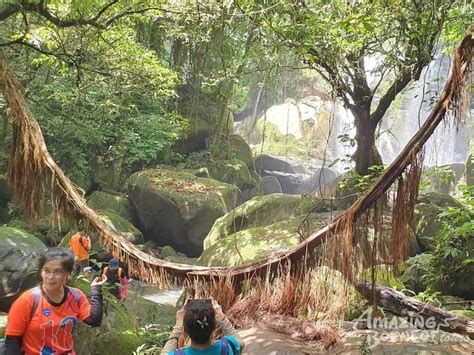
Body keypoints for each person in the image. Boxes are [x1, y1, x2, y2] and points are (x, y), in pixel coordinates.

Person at [4, 248, 107, 355]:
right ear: (41, 272)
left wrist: (96, 289)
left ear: (68, 274)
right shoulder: (27, 300)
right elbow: (12, 341)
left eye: (58, 271)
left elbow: (94, 320)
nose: (50, 277)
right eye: (46, 271)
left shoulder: (76, 296)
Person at [161, 299, 244, 355]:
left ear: (185, 330)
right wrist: (222, 319)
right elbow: (241, 343)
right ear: (214, 327)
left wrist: (178, 326)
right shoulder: (228, 346)